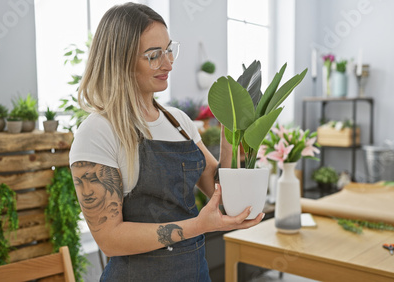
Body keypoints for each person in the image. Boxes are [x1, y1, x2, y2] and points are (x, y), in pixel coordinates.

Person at [68, 3, 264, 281]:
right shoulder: (98, 132)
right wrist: (198, 226)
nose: (169, 63)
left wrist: (229, 135)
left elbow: (219, 193)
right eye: (153, 55)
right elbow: (110, 239)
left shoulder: (179, 122)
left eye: (169, 49)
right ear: (120, 60)